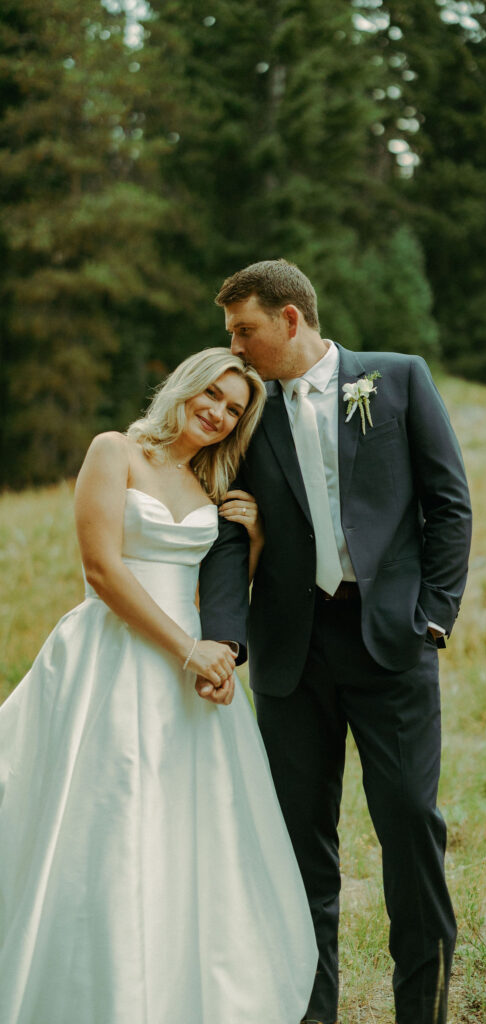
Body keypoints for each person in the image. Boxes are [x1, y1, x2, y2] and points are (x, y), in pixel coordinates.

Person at [0, 348, 318, 1024]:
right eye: (212, 396)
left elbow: (217, 590)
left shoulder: (209, 487)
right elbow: (102, 570)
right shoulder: (116, 452)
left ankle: (185, 990)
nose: (218, 413)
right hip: (114, 655)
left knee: (190, 823)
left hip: (194, 666)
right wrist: (185, 649)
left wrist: (253, 542)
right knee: (107, 814)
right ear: (185, 386)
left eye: (233, 411)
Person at [198, 260, 472, 1024]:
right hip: (290, 654)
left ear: (290, 320)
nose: (235, 348)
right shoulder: (246, 413)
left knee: (410, 828)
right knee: (297, 851)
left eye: (244, 330)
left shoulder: (397, 380)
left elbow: (449, 505)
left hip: (391, 644)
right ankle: (310, 1015)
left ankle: (422, 1013)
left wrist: (434, 614)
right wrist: (223, 638)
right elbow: (229, 534)